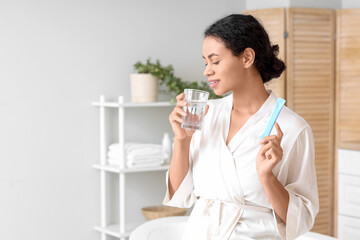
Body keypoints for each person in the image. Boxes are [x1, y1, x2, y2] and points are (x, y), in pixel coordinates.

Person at [163, 14, 319, 240]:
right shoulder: (207, 114)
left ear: (247, 57)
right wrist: (182, 140)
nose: (207, 71)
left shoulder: (291, 128)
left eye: (215, 61)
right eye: (205, 63)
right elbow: (180, 196)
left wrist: (267, 177)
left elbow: (301, 220)